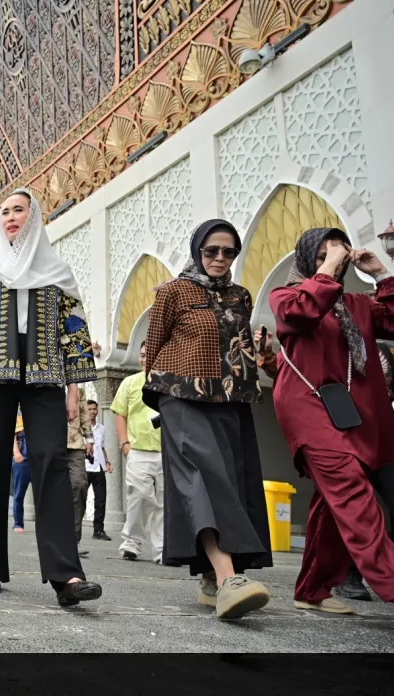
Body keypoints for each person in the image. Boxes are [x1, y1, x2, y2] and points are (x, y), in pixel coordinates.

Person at [0, 188, 102, 606]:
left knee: (52, 463)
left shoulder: (55, 271)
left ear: (34, 218)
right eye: (5, 212)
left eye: (19, 210)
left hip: (44, 377)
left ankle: (66, 576)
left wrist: (75, 389)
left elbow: (74, 331)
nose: (11, 217)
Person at [143, 219, 273, 620]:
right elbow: (153, 345)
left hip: (230, 399)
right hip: (181, 394)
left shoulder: (240, 295)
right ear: (197, 250)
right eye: (211, 250)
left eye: (228, 251)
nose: (219, 258)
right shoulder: (172, 292)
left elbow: (239, 347)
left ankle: (209, 578)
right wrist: (161, 396)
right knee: (203, 476)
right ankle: (229, 578)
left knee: (230, 480)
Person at [269, 227, 394, 620]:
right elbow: (302, 313)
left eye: (338, 253)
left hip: (352, 417)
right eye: (322, 254)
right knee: (354, 496)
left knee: (333, 504)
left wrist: (381, 273)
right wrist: (327, 268)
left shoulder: (356, 305)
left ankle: (312, 589)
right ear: (307, 258)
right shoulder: (287, 296)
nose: (334, 260)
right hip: (308, 410)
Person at [112, 342, 164, 563]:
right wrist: (124, 444)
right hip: (138, 450)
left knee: (164, 503)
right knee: (139, 497)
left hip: (166, 452)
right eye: (142, 355)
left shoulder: (169, 382)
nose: (144, 359)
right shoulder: (130, 382)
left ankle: (162, 550)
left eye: (149, 355)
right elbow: (120, 413)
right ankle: (131, 543)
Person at [66, 386, 93, 556]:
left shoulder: (78, 387)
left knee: (79, 485)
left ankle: (73, 541)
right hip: (49, 443)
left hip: (74, 443)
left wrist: (89, 439)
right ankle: (52, 540)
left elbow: (84, 411)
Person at [84, 399, 112, 541]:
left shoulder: (101, 428)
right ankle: (74, 529)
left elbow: (102, 447)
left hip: (99, 466)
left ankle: (98, 530)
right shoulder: (81, 427)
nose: (92, 412)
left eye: (94, 409)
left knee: (101, 500)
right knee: (80, 499)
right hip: (84, 466)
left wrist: (107, 462)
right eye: (89, 409)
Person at [11, 411, 30, 533]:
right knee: (18, 493)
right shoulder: (17, 411)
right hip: (22, 455)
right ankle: (18, 523)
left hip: (38, 457)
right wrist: (16, 452)